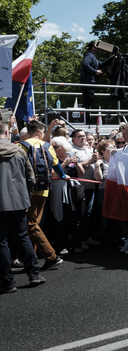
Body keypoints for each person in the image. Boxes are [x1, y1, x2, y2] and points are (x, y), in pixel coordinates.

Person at [0, 121, 45, 293]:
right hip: (18, 201)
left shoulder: (19, 149)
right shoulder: (18, 150)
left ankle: (7, 281)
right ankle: (34, 274)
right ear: (6, 134)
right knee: (22, 237)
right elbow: (31, 178)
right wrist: (26, 198)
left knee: (1, 242)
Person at [18, 120, 65, 271]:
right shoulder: (48, 146)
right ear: (38, 132)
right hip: (44, 190)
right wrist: (63, 175)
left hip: (28, 191)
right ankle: (31, 260)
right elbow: (56, 164)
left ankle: (51, 257)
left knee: (30, 225)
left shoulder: (21, 146)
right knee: (35, 225)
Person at [79, 41, 114, 109]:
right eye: (97, 48)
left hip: (90, 83)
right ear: (93, 47)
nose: (99, 49)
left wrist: (111, 58)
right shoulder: (89, 55)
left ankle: (87, 118)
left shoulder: (93, 57)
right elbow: (85, 64)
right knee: (88, 102)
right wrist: (95, 71)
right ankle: (87, 119)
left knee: (89, 101)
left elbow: (101, 64)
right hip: (88, 83)